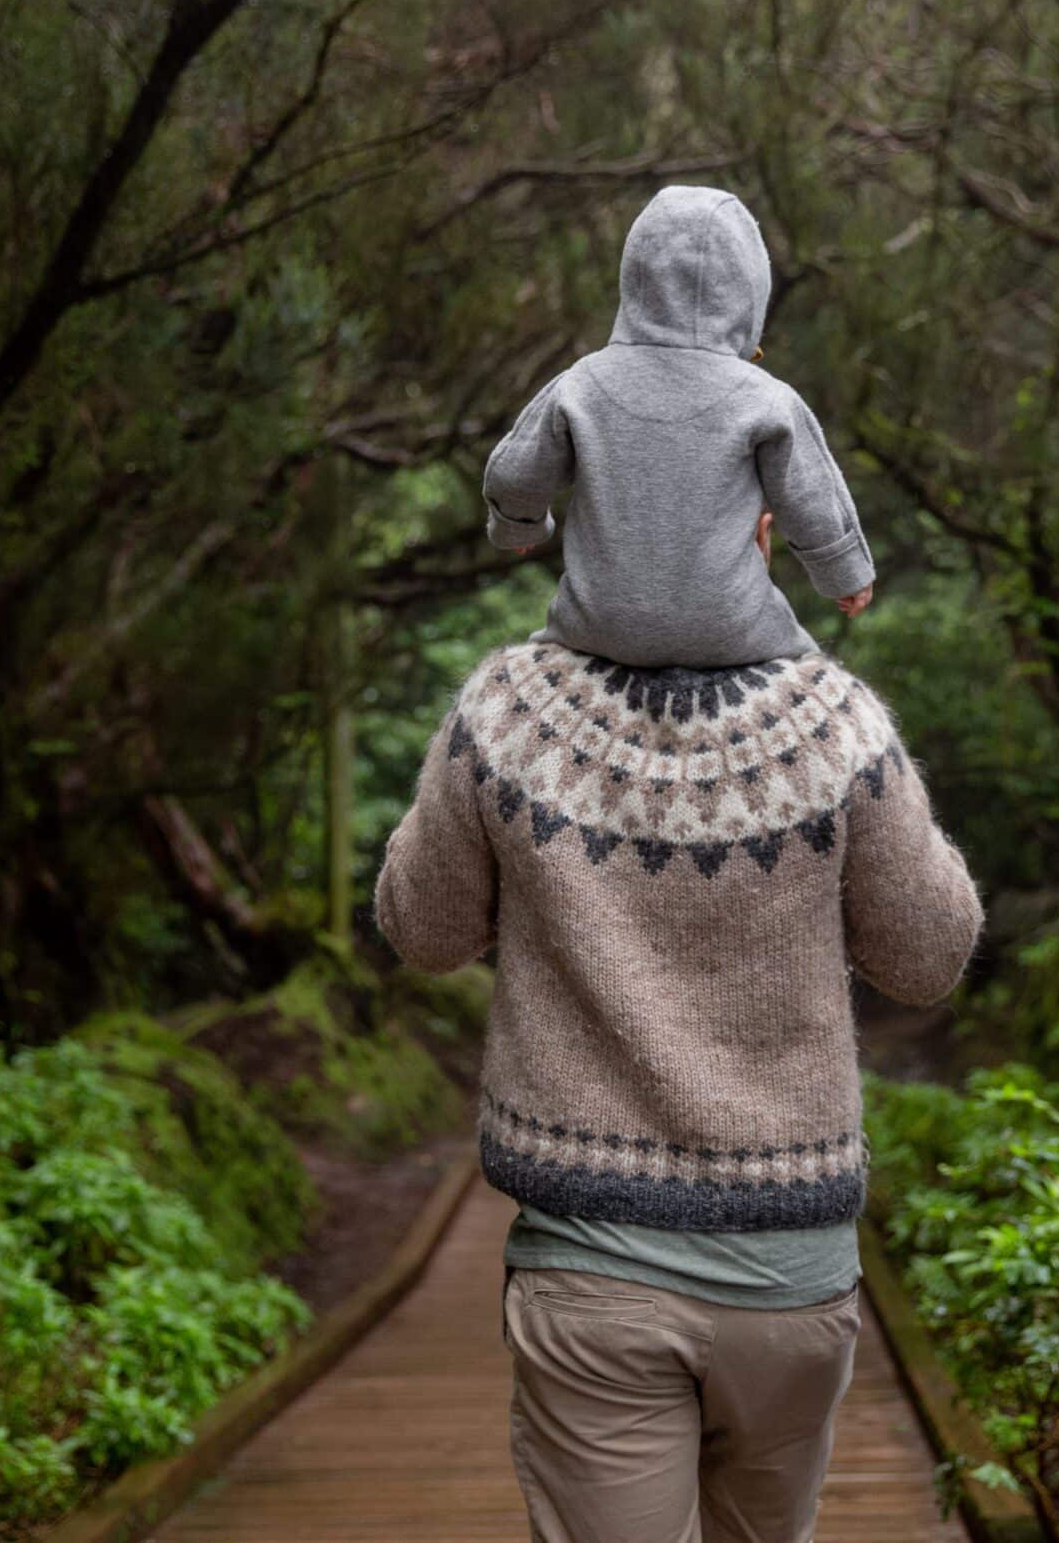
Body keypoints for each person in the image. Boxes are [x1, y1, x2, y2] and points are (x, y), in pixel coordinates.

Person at [372, 609, 983, 1540]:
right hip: (791, 1276)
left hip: (592, 1272)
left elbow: (424, 930)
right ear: (763, 538)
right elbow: (930, 955)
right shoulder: (832, 719)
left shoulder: (507, 710)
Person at [481, 184, 877, 670]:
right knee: (812, 678)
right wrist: (845, 574)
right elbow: (813, 496)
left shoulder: (583, 382)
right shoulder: (765, 397)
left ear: (635, 276)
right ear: (750, 290)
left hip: (596, 627)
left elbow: (514, 472)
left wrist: (517, 524)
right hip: (734, 630)